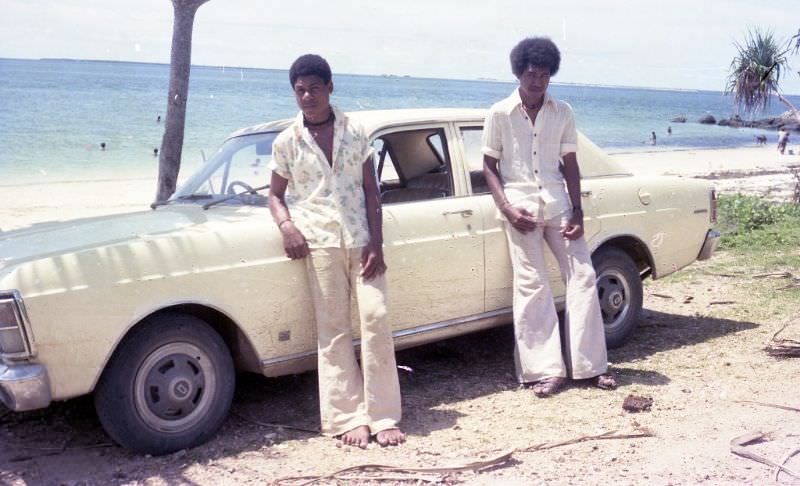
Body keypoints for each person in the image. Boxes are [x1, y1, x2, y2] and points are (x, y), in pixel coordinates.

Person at [267, 54, 405, 448]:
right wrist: (287, 226)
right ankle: (348, 418)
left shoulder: (355, 131)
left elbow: (370, 190)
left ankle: (383, 416)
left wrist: (377, 243)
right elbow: (275, 197)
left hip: (361, 239)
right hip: (319, 241)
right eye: (300, 90)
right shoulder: (286, 141)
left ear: (330, 87)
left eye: (314, 87)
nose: (307, 96)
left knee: (376, 319)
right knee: (333, 330)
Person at [482, 37, 616, 398]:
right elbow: (488, 167)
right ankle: (545, 371)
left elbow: (570, 164)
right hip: (520, 209)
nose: (537, 81)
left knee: (584, 277)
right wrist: (507, 210)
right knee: (533, 287)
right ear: (518, 72)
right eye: (531, 74)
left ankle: (590, 367)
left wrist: (578, 211)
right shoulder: (499, 113)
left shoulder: (563, 112)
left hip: (558, 206)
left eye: (544, 75)